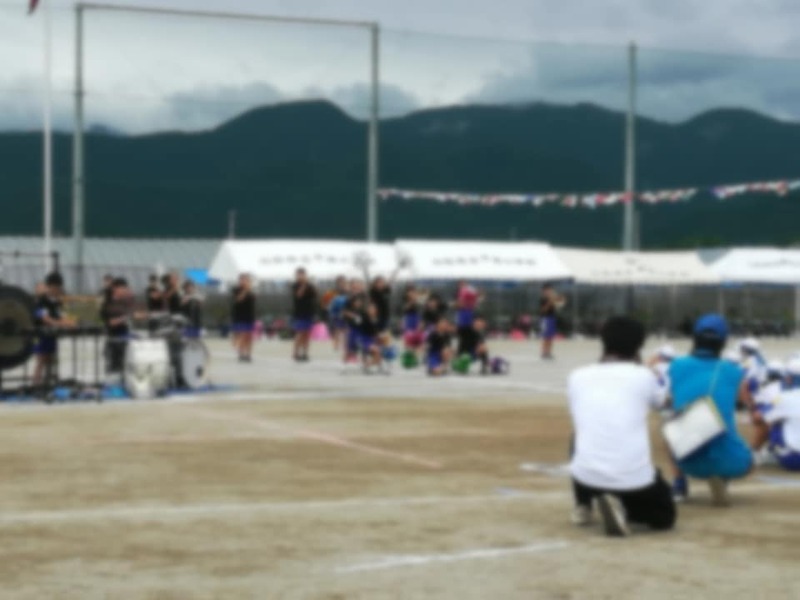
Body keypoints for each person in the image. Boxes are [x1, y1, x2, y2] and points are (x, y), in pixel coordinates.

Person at [568, 316, 675, 537]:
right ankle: (625, 508)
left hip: (587, 476)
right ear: (639, 345)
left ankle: (584, 504)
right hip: (632, 478)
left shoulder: (577, 376)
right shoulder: (645, 376)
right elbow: (664, 403)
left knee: (579, 435)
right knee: (664, 517)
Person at [668, 314, 756, 506]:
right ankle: (722, 479)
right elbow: (740, 400)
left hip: (687, 460)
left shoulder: (676, 366)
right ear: (723, 342)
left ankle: (679, 483)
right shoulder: (734, 371)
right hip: (732, 462)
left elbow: (672, 399)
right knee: (744, 452)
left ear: (695, 338)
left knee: (672, 423)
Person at [751, 358, 800, 471]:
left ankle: (759, 452)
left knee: (770, 422)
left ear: (789, 378)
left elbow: (758, 417)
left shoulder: (784, 397)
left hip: (793, 460)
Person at [32, 272, 75, 388]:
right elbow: (45, 319)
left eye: (59, 288)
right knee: (41, 360)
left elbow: (60, 315)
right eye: (56, 288)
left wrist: (69, 322)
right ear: (50, 287)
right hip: (41, 335)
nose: (58, 291)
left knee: (51, 360)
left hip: (52, 335)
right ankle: (35, 385)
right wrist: (62, 323)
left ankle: (48, 385)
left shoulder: (56, 302)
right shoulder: (41, 301)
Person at [104, 278, 136, 375]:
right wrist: (124, 318)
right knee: (115, 369)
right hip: (115, 340)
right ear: (115, 289)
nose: (125, 290)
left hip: (124, 338)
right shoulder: (109, 304)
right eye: (123, 288)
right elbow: (110, 323)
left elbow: (132, 311)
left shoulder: (123, 302)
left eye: (125, 288)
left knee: (125, 366)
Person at [291, 268, 318, 362]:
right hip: (299, 313)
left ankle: (305, 353)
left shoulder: (310, 285)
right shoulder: (295, 285)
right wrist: (304, 285)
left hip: (309, 312)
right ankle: (295, 353)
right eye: (299, 275)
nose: (301, 276)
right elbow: (299, 295)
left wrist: (310, 284)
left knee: (307, 334)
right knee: (299, 333)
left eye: (303, 274)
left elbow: (315, 294)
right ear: (296, 276)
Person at [231, 273, 256, 363]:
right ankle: (241, 353)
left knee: (249, 336)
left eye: (246, 280)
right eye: (243, 280)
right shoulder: (236, 289)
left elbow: (253, 300)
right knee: (243, 335)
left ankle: (248, 354)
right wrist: (245, 290)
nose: (245, 282)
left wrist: (249, 290)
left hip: (249, 316)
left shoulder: (251, 291)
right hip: (240, 316)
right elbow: (239, 299)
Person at [539, 283, 564, 360]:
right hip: (545, 319)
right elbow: (543, 310)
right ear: (544, 291)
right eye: (547, 290)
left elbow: (560, 304)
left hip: (552, 318)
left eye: (550, 290)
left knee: (551, 337)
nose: (549, 292)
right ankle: (544, 352)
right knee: (546, 337)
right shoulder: (543, 299)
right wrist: (550, 302)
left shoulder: (553, 298)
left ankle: (549, 352)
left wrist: (559, 299)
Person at [327, 276, 349, 352]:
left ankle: (346, 345)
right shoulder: (333, 292)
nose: (342, 284)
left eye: (343, 282)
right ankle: (336, 345)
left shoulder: (348, 291)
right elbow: (328, 302)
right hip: (336, 313)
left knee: (346, 330)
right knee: (337, 329)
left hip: (346, 312)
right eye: (340, 282)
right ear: (337, 283)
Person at [401, 284, 425, 352]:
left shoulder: (419, 300)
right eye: (409, 292)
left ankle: (417, 351)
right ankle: (408, 351)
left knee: (418, 338)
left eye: (412, 292)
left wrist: (421, 321)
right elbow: (404, 309)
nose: (411, 293)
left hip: (417, 318)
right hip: (408, 319)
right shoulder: (404, 300)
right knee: (408, 338)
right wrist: (412, 301)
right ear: (407, 293)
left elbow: (421, 310)